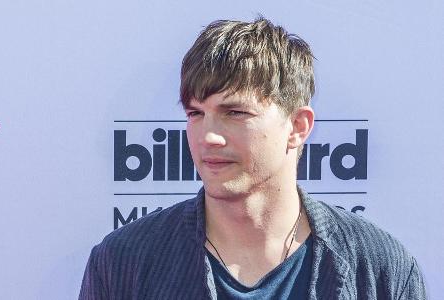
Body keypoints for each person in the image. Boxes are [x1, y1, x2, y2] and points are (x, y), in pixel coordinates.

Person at [79, 17, 427, 299]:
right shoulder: (123, 261)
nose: (208, 137)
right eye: (196, 114)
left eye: (235, 113)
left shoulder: (380, 269)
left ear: (297, 126)